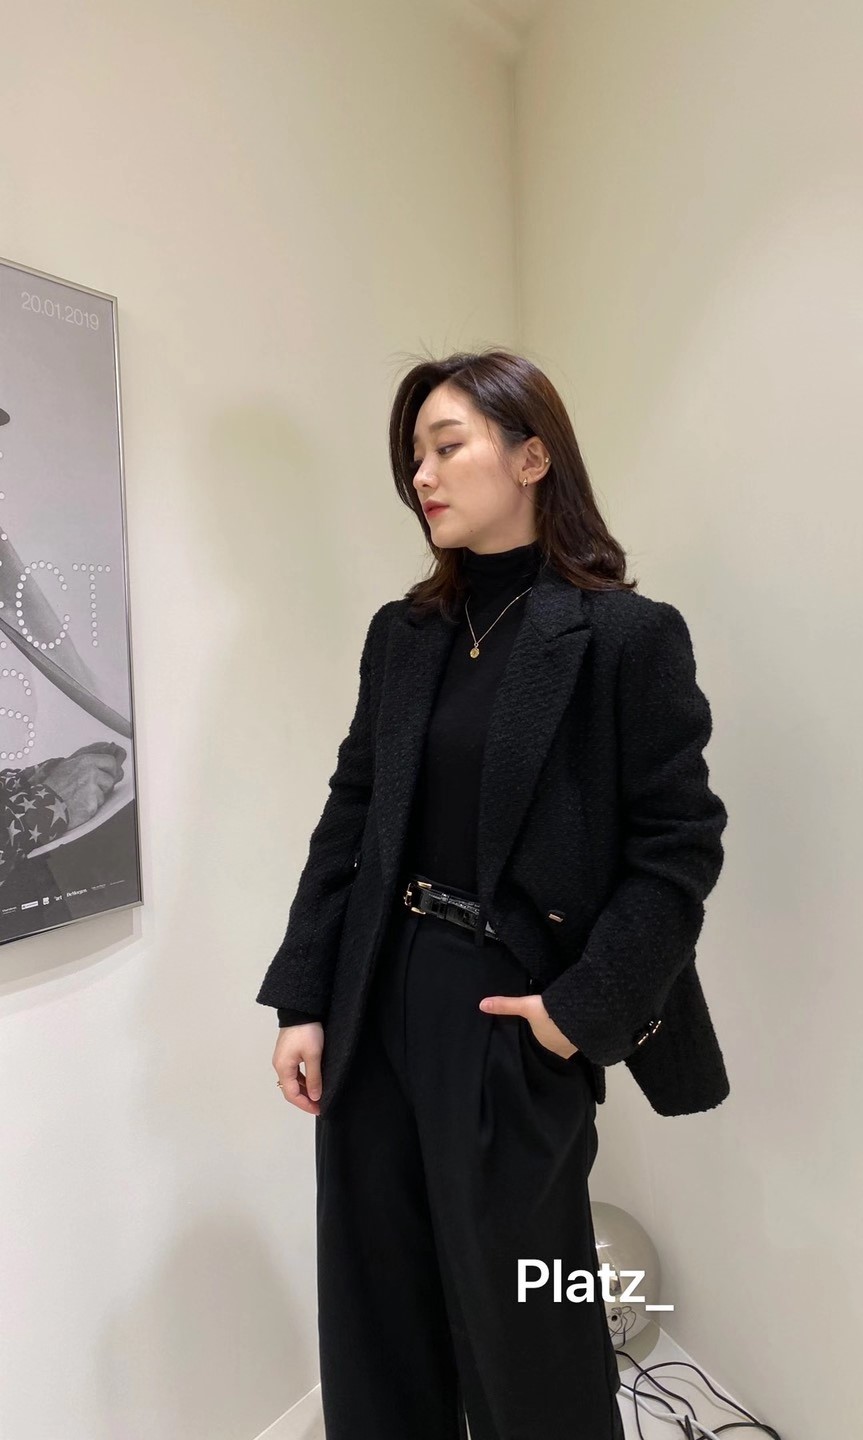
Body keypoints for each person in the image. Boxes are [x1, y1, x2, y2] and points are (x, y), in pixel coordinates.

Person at [255, 348, 730, 1440]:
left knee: (527, 1319)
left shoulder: (624, 637)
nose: (421, 475)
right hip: (381, 990)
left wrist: (576, 1012)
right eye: (413, 457)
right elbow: (352, 816)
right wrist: (306, 997)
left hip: (512, 1010)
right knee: (378, 1300)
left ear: (531, 457)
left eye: (446, 446)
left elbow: (679, 846)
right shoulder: (406, 634)